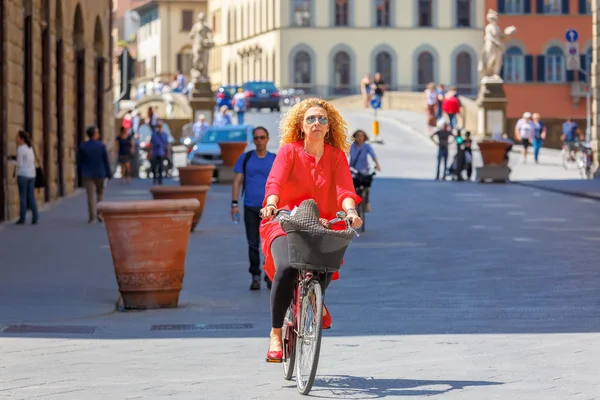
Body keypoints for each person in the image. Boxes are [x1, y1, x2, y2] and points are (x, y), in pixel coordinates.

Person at [259, 98, 363, 362]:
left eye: (322, 119)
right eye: (311, 119)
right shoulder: (289, 151)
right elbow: (276, 182)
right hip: (284, 220)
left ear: (329, 127)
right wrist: (271, 204)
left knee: (329, 260)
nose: (317, 123)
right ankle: (275, 332)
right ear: (301, 126)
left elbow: (344, 190)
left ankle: (315, 298)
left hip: (321, 222)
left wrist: (350, 212)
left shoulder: (336, 156)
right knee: (285, 267)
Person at [231, 127, 276, 290]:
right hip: (250, 206)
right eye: (256, 138)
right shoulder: (246, 158)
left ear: (267, 139)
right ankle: (255, 275)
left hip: (270, 209)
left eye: (262, 138)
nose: (259, 141)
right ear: (253, 140)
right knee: (252, 244)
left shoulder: (274, 159)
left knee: (270, 244)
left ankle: (270, 274)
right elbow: (237, 181)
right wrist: (234, 204)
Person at [77, 125, 112, 223]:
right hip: (100, 173)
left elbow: (79, 161)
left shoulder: (83, 146)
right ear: (95, 134)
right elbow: (106, 161)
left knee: (90, 196)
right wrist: (109, 173)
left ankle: (91, 217)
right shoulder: (101, 146)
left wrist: (80, 172)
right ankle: (100, 214)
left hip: (87, 173)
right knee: (100, 194)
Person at [9, 130, 39, 225]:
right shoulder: (30, 148)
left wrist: (12, 161)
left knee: (23, 197)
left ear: (21, 139)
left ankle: (22, 218)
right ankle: (35, 216)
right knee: (31, 197)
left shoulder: (21, 149)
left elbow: (20, 164)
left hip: (23, 175)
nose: (15, 138)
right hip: (32, 175)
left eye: (17, 137)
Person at [349, 129, 380, 212]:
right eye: (358, 136)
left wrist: (377, 164)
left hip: (364, 170)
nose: (360, 138)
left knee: (366, 187)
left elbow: (373, 155)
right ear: (354, 137)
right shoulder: (351, 146)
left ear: (364, 137)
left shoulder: (367, 146)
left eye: (362, 136)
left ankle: (366, 203)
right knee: (352, 188)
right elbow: (345, 156)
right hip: (353, 171)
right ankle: (351, 206)